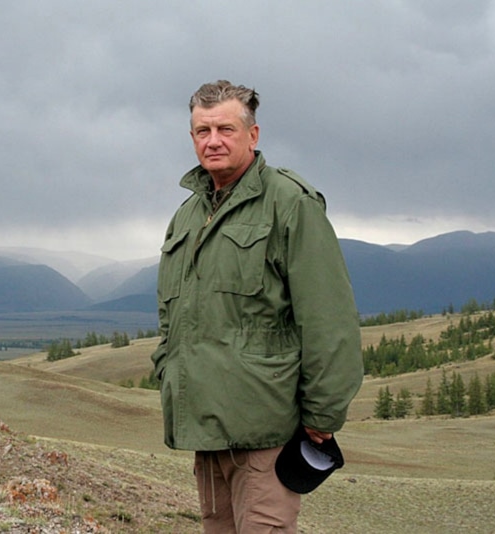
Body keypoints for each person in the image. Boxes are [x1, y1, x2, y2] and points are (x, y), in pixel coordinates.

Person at [151, 80, 364, 533]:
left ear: (253, 135)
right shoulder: (188, 216)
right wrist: (168, 372)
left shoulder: (290, 203)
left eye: (225, 129)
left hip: (266, 436)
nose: (213, 141)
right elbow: (172, 317)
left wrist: (322, 417)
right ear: (192, 137)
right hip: (207, 435)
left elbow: (329, 318)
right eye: (202, 131)